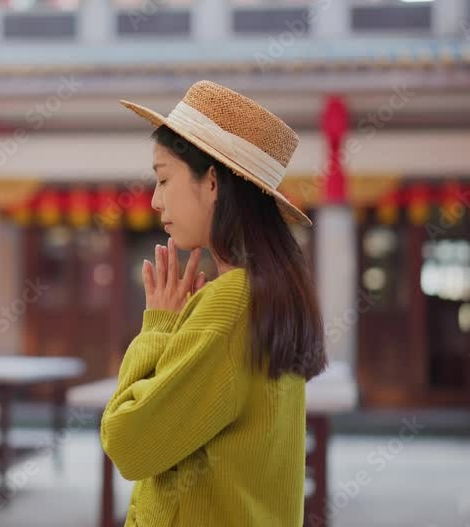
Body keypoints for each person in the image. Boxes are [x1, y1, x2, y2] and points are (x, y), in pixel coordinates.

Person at [100, 80, 328, 526]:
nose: (154, 198)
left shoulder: (229, 303)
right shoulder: (272, 291)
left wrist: (157, 329)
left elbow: (126, 441)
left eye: (164, 177)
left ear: (212, 181)